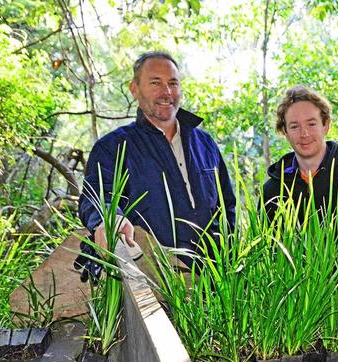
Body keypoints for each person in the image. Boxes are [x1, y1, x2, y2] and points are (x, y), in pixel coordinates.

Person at [78, 51, 235, 270]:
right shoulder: (112, 147)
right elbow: (96, 197)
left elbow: (227, 206)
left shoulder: (205, 144)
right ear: (135, 89)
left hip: (215, 281)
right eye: (155, 83)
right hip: (154, 279)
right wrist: (110, 219)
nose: (167, 92)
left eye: (173, 83)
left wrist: (229, 256)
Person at [262, 85, 338, 251]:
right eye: (294, 126)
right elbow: (269, 251)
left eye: (311, 124)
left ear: (326, 125)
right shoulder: (273, 190)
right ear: (285, 132)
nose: (304, 134)